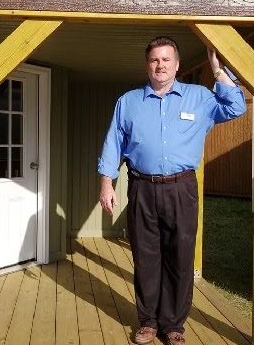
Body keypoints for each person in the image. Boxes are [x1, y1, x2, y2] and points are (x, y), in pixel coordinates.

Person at [98, 36, 246, 345]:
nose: (160, 64)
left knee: (180, 257)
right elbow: (113, 143)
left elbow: (236, 107)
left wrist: (218, 71)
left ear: (176, 64)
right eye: (154, 59)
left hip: (182, 189)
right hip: (142, 188)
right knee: (145, 257)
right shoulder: (129, 102)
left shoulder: (201, 97)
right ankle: (149, 322)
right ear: (147, 64)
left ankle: (174, 325)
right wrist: (106, 182)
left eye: (166, 59)